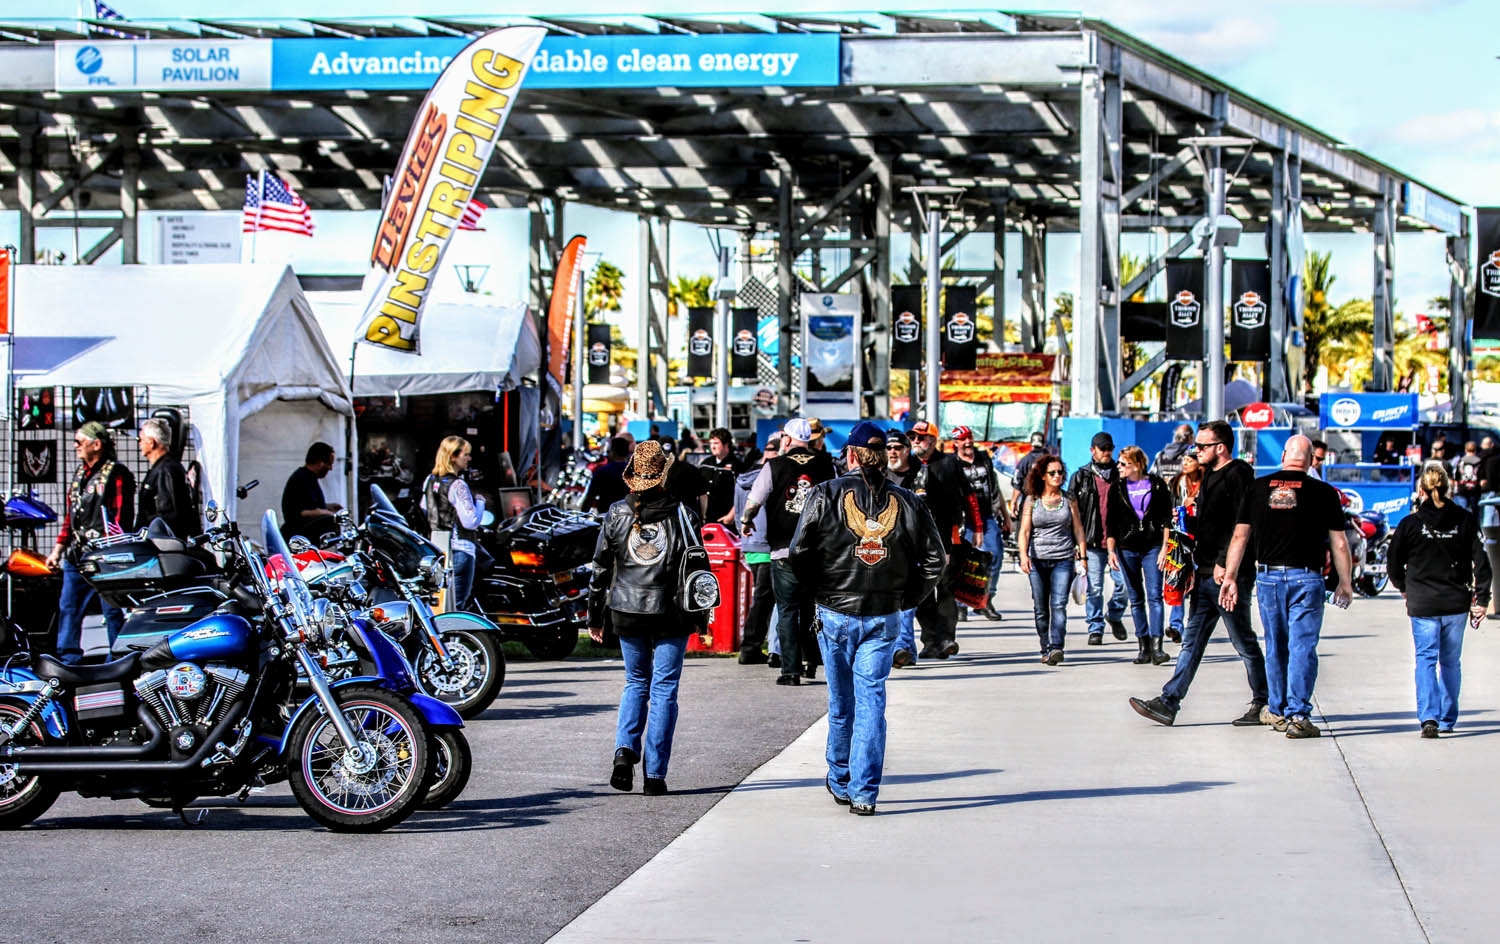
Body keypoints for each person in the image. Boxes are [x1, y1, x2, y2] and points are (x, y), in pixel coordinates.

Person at [788, 421, 945, 815]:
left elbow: (798, 552)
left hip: (838, 610)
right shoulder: (908, 500)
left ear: (852, 454)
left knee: (843, 702)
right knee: (870, 701)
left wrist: (820, 592)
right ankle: (862, 790)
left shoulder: (826, 494)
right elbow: (934, 560)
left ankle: (844, 777)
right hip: (881, 612)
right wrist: (904, 598)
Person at [1128, 420, 1268, 727]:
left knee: (1242, 640)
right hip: (1204, 574)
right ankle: (1168, 702)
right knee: (1191, 641)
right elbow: (1207, 526)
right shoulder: (1207, 477)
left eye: (1202, 446)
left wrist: (1223, 565)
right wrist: (1191, 563)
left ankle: (1264, 701)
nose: (1197, 451)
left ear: (1221, 447)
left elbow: (1241, 524)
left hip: (1228, 576)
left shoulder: (1238, 473)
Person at [587, 440, 704, 797]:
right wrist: (702, 614)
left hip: (626, 608)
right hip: (671, 611)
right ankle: (655, 774)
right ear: (664, 475)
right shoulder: (684, 513)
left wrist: (594, 614)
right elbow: (697, 565)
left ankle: (624, 751)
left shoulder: (616, 513)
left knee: (635, 681)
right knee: (665, 688)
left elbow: (600, 568)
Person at [1220, 435, 1354, 739]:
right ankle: (1298, 715)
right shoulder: (1323, 492)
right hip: (1306, 578)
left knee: (1276, 645)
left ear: (1284, 456)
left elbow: (1240, 537)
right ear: (1309, 461)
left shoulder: (1257, 488)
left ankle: (1277, 710)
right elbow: (1340, 543)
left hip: (1268, 578)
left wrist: (1230, 577)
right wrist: (1345, 583)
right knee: (1302, 646)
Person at [1388, 462, 1492, 737]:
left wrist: (1403, 587)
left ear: (1421, 490)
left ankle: (1429, 718)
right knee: (1450, 662)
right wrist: (1482, 599)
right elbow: (1481, 562)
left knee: (1425, 659)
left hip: (1423, 602)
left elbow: (1393, 562)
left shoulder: (1410, 524)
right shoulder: (1465, 519)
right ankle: (1447, 718)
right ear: (1449, 488)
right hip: (1455, 602)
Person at [741, 418, 838, 685]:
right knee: (811, 608)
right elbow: (837, 500)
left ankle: (791, 671)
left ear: (786, 437)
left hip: (784, 548)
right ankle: (811, 663)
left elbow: (754, 500)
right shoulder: (826, 464)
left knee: (786, 609)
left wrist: (747, 522)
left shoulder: (775, 465)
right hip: (816, 549)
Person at [47, 422, 136, 663]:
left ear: (96, 445)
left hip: (104, 557)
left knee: (112, 609)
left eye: (79, 441)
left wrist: (114, 553)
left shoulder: (116, 474)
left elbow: (119, 519)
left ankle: (118, 658)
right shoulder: (79, 475)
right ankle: (68, 659)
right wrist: (57, 550)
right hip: (77, 556)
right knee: (69, 607)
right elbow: (70, 518)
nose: (75, 446)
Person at [908, 421, 984, 660]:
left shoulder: (948, 463)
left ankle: (947, 638)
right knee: (922, 593)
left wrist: (975, 528)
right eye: (913, 437)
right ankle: (931, 640)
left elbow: (966, 497)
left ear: (932, 440)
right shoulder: (908, 466)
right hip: (914, 541)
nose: (916, 441)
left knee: (946, 589)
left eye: (921, 437)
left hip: (944, 537)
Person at [1106, 445, 1174, 665]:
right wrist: (1111, 551)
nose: (1119, 467)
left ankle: (1157, 646)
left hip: (1152, 546)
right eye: (1119, 463)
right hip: (1127, 547)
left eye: (1124, 464)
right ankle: (1143, 646)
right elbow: (1111, 524)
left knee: (1155, 595)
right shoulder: (1117, 488)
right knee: (1136, 598)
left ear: (1137, 465)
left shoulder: (1156, 484)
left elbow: (1166, 519)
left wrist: (1165, 548)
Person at [1017, 455, 1085, 664]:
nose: (1058, 476)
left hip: (1063, 559)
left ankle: (1057, 647)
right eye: (1052, 473)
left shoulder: (1069, 499)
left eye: (1060, 472)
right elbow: (1025, 532)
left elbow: (1078, 528)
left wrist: (1083, 557)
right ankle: (1045, 646)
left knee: (1058, 604)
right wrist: (1023, 556)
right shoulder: (1032, 500)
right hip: (1037, 561)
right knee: (1040, 608)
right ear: (1043, 476)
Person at [1068, 431, 1129, 645]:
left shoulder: (1121, 473)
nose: (1107, 453)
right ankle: (1095, 627)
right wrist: (1076, 544)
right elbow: (1072, 513)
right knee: (1094, 587)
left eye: (1110, 449)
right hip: (1091, 541)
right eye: (1103, 449)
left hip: (1118, 541)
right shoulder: (1080, 477)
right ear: (1092, 450)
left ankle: (1114, 615)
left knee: (1124, 586)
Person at [951, 426, 1010, 621]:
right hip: (963, 520)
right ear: (956, 443)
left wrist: (1006, 516)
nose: (967, 442)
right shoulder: (952, 463)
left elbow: (996, 489)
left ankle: (985, 600)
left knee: (995, 556)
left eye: (969, 438)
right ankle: (960, 605)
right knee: (963, 562)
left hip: (987, 516)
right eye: (962, 439)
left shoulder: (984, 459)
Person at [427, 436, 487, 612]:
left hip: (437, 549)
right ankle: (451, 639)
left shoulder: (430, 481)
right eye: (465, 454)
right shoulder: (458, 485)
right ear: (453, 456)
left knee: (438, 605)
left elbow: (425, 508)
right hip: (461, 548)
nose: (469, 459)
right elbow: (471, 522)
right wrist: (480, 503)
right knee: (457, 605)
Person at [733, 436, 779, 665]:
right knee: (764, 597)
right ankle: (751, 646)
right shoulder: (773, 477)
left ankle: (754, 645)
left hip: (750, 543)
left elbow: (740, 512)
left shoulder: (743, 479)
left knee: (762, 596)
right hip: (768, 542)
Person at [136, 417, 201, 540]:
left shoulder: (165, 470)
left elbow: (168, 514)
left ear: (152, 442)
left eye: (141, 439)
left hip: (161, 545)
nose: (139, 443)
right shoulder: (164, 467)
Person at [1166, 452, 1204, 642]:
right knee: (1178, 580)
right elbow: (1169, 508)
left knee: (1196, 586)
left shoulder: (1207, 482)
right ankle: (1175, 625)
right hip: (1181, 538)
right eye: (1185, 460)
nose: (1186, 463)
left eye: (1190, 460)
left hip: (1201, 540)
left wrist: (1195, 503)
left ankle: (1193, 627)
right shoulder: (1177, 483)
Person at [281, 442, 341, 543]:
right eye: (329, 464)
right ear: (320, 463)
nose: (330, 468)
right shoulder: (301, 479)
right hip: (299, 538)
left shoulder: (308, 478)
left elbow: (308, 504)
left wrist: (327, 507)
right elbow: (301, 512)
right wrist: (329, 514)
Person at [702, 427, 742, 524]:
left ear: (726, 444)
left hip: (728, 518)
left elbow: (742, 494)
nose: (712, 447)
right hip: (709, 518)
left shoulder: (737, 465)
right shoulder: (706, 463)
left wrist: (731, 516)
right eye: (711, 443)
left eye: (716, 443)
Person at [582, 437, 632, 513]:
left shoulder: (602, 471)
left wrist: (583, 516)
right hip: (629, 517)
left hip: (607, 516)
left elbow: (590, 497)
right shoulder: (634, 472)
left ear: (613, 452)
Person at [1454, 441, 1482, 511]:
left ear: (1465, 450)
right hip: (1474, 490)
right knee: (1475, 513)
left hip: (1462, 489)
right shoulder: (1479, 461)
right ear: (1475, 450)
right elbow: (1481, 476)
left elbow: (1457, 477)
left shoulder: (1461, 461)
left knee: (1463, 513)